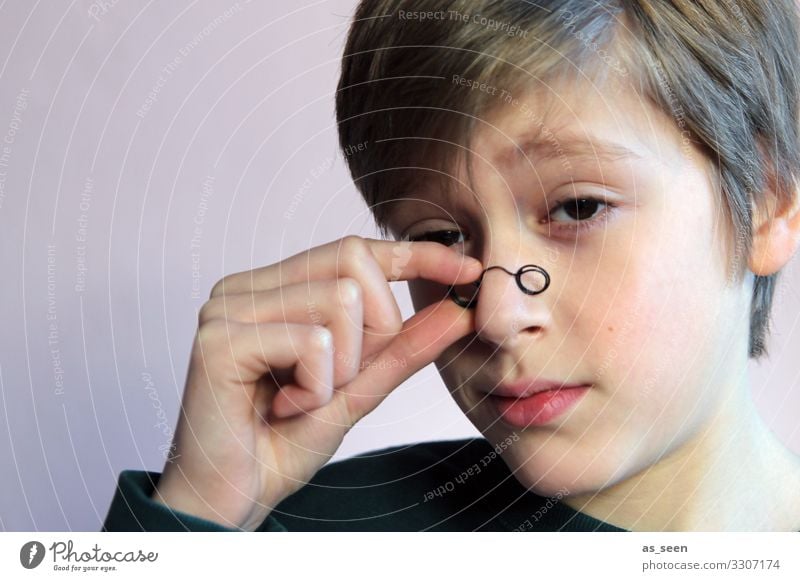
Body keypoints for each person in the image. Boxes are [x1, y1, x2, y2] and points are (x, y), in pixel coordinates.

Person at [103, 0, 800, 532]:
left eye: (580, 207)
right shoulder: (302, 531)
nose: (496, 315)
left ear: (767, 202)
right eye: (443, 234)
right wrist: (199, 513)